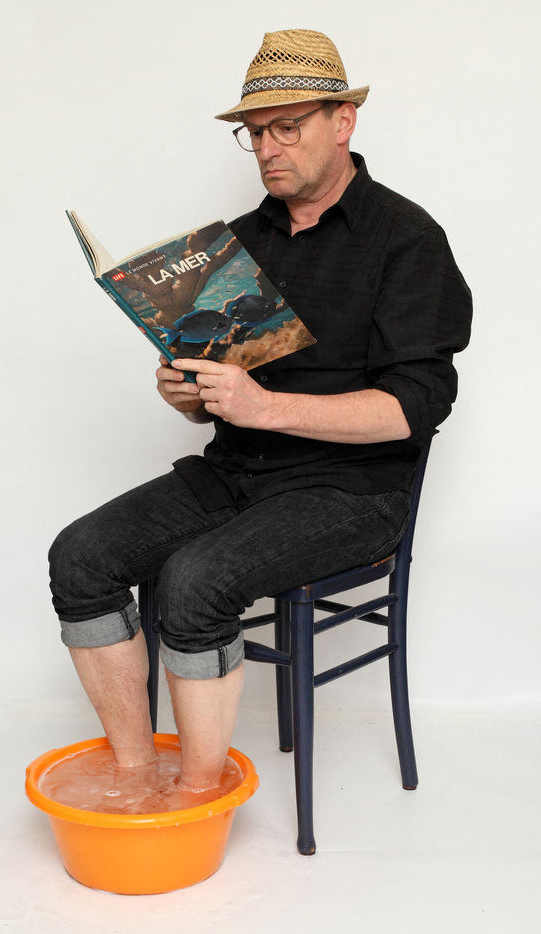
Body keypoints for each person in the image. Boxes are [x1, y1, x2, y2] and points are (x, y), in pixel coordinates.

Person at [48, 29, 472, 794]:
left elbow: (412, 410)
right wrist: (188, 395)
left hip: (352, 490)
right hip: (237, 473)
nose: (267, 149)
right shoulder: (236, 246)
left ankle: (199, 796)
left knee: (193, 582)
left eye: (286, 127)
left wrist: (264, 406)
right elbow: (225, 395)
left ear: (342, 121)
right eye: (253, 133)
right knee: (80, 556)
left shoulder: (407, 241)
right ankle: (137, 773)